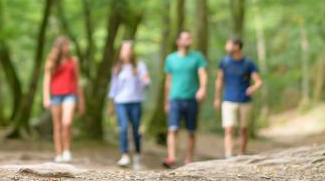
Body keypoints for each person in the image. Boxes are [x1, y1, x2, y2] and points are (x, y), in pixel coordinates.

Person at [162, 30, 208, 168]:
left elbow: (203, 74)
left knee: (191, 131)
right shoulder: (170, 59)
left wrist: (202, 88)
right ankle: (171, 157)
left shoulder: (197, 57)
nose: (189, 40)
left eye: (190, 38)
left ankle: (189, 159)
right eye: (186, 38)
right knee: (172, 129)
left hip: (191, 98)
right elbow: (168, 81)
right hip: (175, 98)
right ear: (178, 42)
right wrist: (166, 101)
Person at [213, 36, 263, 158]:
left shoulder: (248, 63)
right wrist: (217, 98)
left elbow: (258, 82)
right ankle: (228, 154)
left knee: (243, 129)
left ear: (236, 46)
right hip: (228, 100)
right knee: (229, 129)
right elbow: (219, 80)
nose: (226, 47)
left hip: (245, 101)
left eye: (228, 44)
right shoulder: (224, 62)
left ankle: (242, 153)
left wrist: (253, 88)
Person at [108, 40, 151, 170]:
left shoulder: (140, 66)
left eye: (128, 49)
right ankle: (125, 154)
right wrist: (111, 106)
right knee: (124, 127)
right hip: (121, 102)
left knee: (136, 128)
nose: (126, 52)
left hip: (136, 102)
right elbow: (113, 89)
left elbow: (147, 83)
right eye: (123, 49)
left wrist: (144, 79)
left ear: (132, 52)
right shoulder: (116, 68)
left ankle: (137, 154)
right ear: (120, 52)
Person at [42, 36, 85, 163]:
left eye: (69, 45)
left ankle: (67, 150)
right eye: (66, 45)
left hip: (70, 95)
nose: (68, 48)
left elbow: (78, 82)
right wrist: (46, 97)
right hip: (56, 96)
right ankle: (59, 153)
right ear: (60, 47)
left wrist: (81, 101)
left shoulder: (74, 60)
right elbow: (47, 79)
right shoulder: (51, 61)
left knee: (67, 122)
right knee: (57, 126)